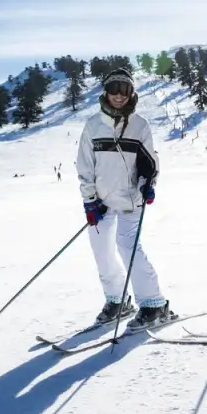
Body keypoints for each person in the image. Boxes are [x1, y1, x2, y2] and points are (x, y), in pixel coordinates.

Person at [76, 68, 173, 331]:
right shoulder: (93, 126)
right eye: (115, 89)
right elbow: (85, 166)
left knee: (127, 246)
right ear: (106, 92)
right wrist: (90, 200)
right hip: (101, 202)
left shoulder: (140, 125)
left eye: (126, 90)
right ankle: (117, 300)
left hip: (131, 199)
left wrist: (148, 185)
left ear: (132, 94)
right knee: (102, 251)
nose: (120, 96)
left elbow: (150, 163)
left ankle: (154, 304)